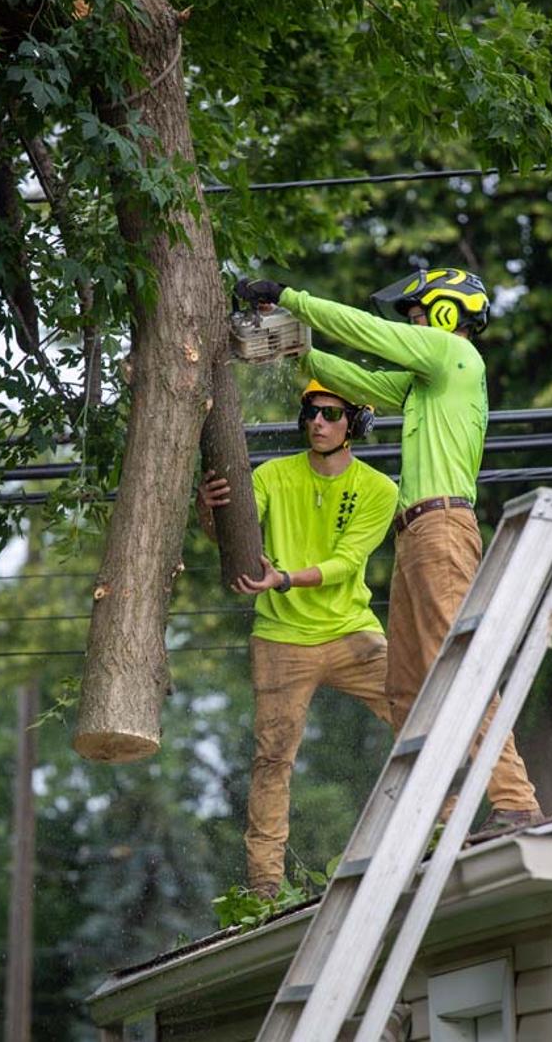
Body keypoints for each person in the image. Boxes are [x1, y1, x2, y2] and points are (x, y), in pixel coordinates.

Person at [235, 270, 543, 833]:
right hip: (417, 535)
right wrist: (302, 353)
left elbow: (367, 334)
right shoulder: (428, 384)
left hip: (442, 528)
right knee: (405, 688)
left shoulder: (453, 355)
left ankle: (515, 798)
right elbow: (359, 379)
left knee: (460, 667)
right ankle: (437, 815)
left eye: (418, 315)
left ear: (448, 315)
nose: (412, 327)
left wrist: (289, 296)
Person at [197, 380, 398, 896]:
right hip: (281, 638)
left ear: (356, 423)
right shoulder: (270, 475)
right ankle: (264, 888)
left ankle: (444, 829)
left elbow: (347, 563)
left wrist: (284, 578)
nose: (318, 423)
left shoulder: (379, 489)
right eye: (311, 412)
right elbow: (229, 536)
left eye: (331, 414)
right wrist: (209, 508)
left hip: (352, 632)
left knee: (424, 713)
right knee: (272, 760)